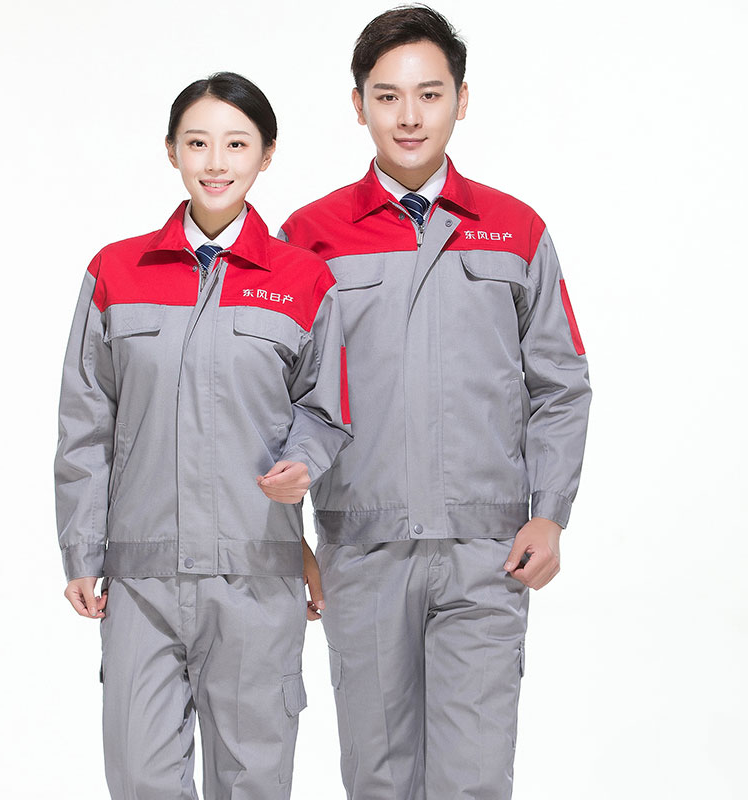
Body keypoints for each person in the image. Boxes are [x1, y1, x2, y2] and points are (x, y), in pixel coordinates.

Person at [280, 6, 592, 799]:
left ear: (462, 98)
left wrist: (550, 514)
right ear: (359, 105)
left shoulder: (515, 230)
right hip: (362, 550)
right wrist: (288, 540)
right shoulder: (310, 237)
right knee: (378, 779)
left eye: (429, 94)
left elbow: (560, 383)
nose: (409, 117)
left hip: (487, 552)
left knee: (474, 779)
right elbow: (270, 405)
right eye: (387, 97)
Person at [54, 71, 351, 800]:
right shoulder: (116, 271)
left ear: (267, 154)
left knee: (253, 782)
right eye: (197, 144)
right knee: (140, 778)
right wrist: (81, 550)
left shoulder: (305, 279)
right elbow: (86, 422)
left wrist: (303, 462)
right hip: (142, 581)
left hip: (258, 577)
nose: (216, 163)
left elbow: (327, 410)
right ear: (172, 151)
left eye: (237, 144)